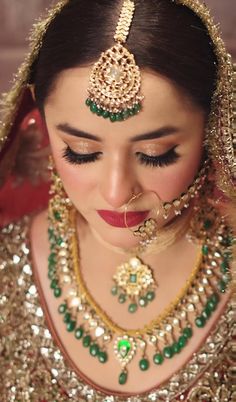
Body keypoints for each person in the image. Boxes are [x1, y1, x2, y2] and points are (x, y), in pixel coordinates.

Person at [0, 0, 235, 400]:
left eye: (156, 153)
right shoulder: (7, 267)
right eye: (80, 151)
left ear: (213, 130)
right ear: (40, 121)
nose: (117, 192)